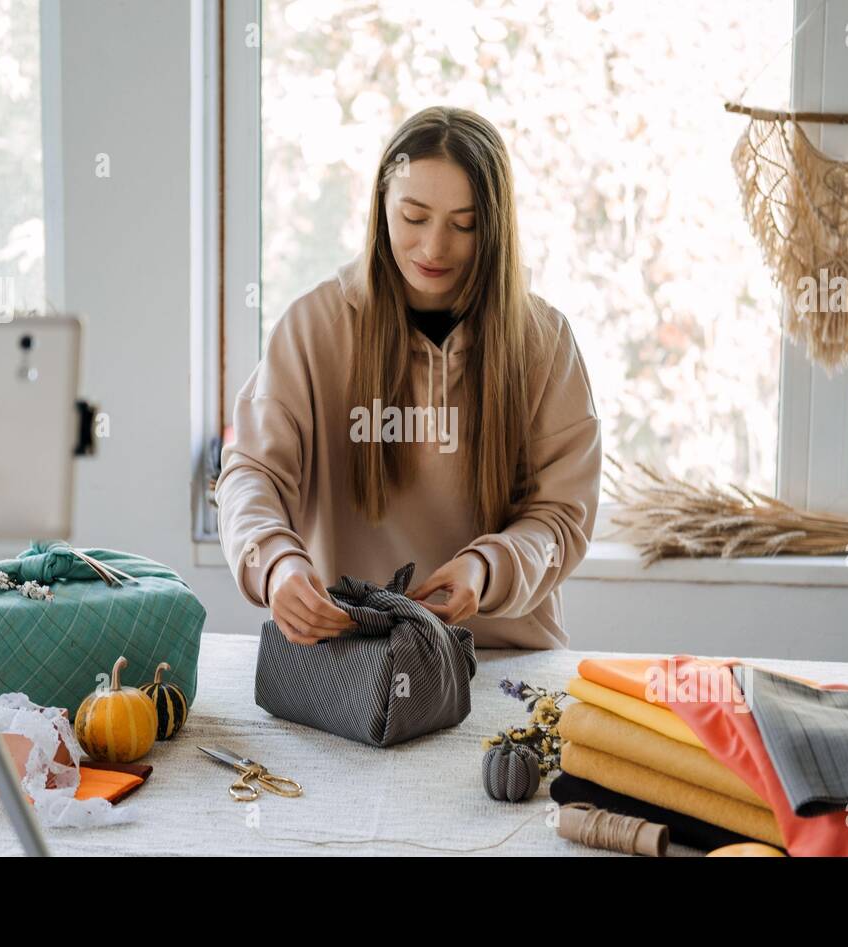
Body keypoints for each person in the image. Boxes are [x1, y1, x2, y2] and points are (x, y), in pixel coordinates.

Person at [216, 105, 601, 649]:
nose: (434, 248)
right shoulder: (312, 328)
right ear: (381, 208)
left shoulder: (545, 341)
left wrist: (487, 570)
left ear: (494, 227)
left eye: (463, 225)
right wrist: (274, 563)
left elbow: (562, 519)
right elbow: (250, 474)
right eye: (414, 217)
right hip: (353, 664)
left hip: (497, 658)